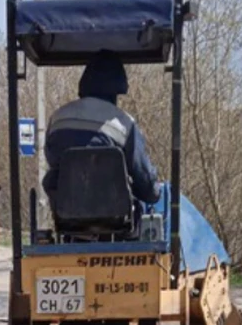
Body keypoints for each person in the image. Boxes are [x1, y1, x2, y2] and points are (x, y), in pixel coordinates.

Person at [42, 50, 161, 207]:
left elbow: (52, 160)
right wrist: (153, 191)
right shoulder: (124, 124)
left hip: (66, 213)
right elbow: (145, 183)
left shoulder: (58, 118)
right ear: (117, 89)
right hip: (116, 218)